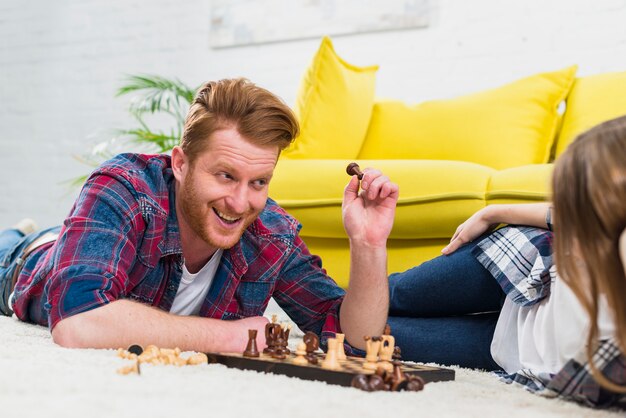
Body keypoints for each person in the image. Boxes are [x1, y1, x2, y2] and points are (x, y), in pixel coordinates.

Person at [0, 78, 399, 354]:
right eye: (226, 176)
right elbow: (77, 324)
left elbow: (354, 341)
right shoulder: (124, 187)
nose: (240, 203)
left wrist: (368, 244)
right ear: (180, 163)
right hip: (25, 262)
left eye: (259, 182)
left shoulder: (271, 232)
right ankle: (17, 233)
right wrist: (228, 337)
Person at [387, 115, 626, 407]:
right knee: (392, 293)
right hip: (519, 266)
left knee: (369, 335)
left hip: (505, 349)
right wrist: (493, 213)